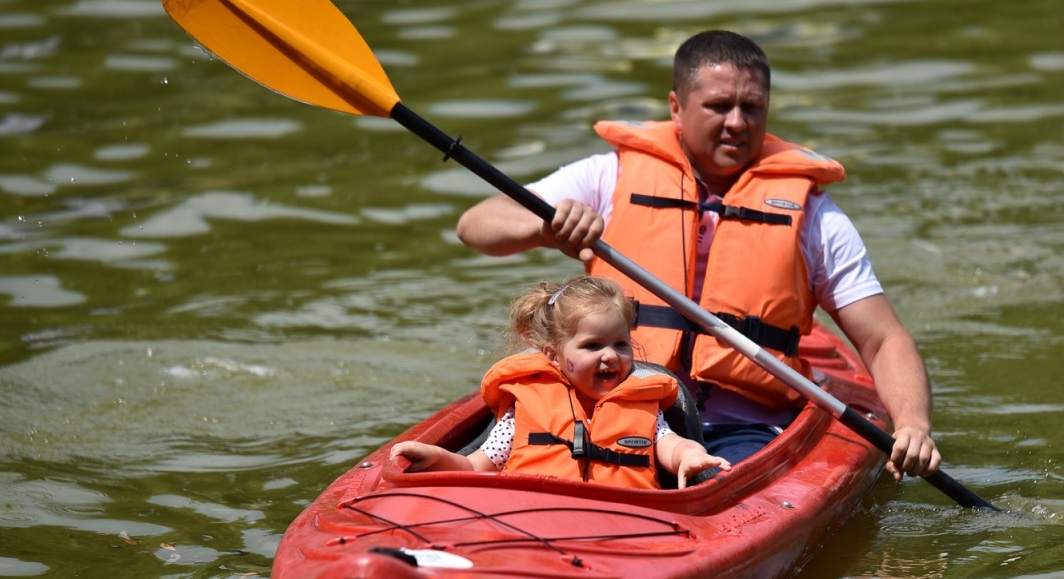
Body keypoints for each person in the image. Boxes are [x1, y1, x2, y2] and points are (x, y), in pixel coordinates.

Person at [456, 30, 941, 482]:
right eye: (719, 105)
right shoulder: (610, 177)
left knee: (719, 482)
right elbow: (476, 226)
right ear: (676, 107)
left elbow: (881, 339)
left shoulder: (813, 216)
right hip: (613, 404)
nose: (737, 122)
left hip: (743, 428)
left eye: (752, 107)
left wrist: (913, 424)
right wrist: (546, 227)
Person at [390, 276, 730, 489]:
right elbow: (474, 465)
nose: (610, 356)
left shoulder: (642, 405)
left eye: (620, 344)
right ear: (553, 355)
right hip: (533, 521)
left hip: (627, 525)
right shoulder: (522, 411)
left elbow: (670, 445)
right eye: (593, 346)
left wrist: (691, 456)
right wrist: (434, 458)